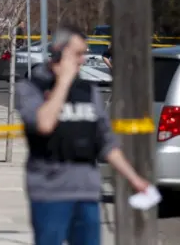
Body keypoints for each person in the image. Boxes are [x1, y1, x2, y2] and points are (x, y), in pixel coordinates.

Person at [15, 25, 151, 245]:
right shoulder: (31, 88)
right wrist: (63, 82)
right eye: (78, 54)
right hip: (50, 191)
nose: (83, 60)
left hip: (87, 191)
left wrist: (134, 179)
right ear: (59, 51)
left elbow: (106, 141)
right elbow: (44, 124)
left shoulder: (89, 91)